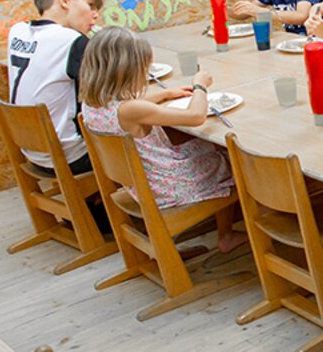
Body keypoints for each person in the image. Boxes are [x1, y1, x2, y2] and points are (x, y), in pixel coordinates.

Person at [78, 27, 248, 253]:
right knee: (232, 161)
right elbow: (195, 117)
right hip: (166, 187)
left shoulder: (92, 104)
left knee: (204, 148)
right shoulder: (131, 110)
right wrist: (200, 86)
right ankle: (229, 233)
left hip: (141, 183)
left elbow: (136, 105)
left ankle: (226, 233)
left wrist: (166, 94)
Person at [7, 0, 103, 175]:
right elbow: (108, 92)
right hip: (71, 156)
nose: (95, 15)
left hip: (32, 150)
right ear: (65, 0)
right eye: (90, 6)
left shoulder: (17, 31)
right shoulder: (72, 41)